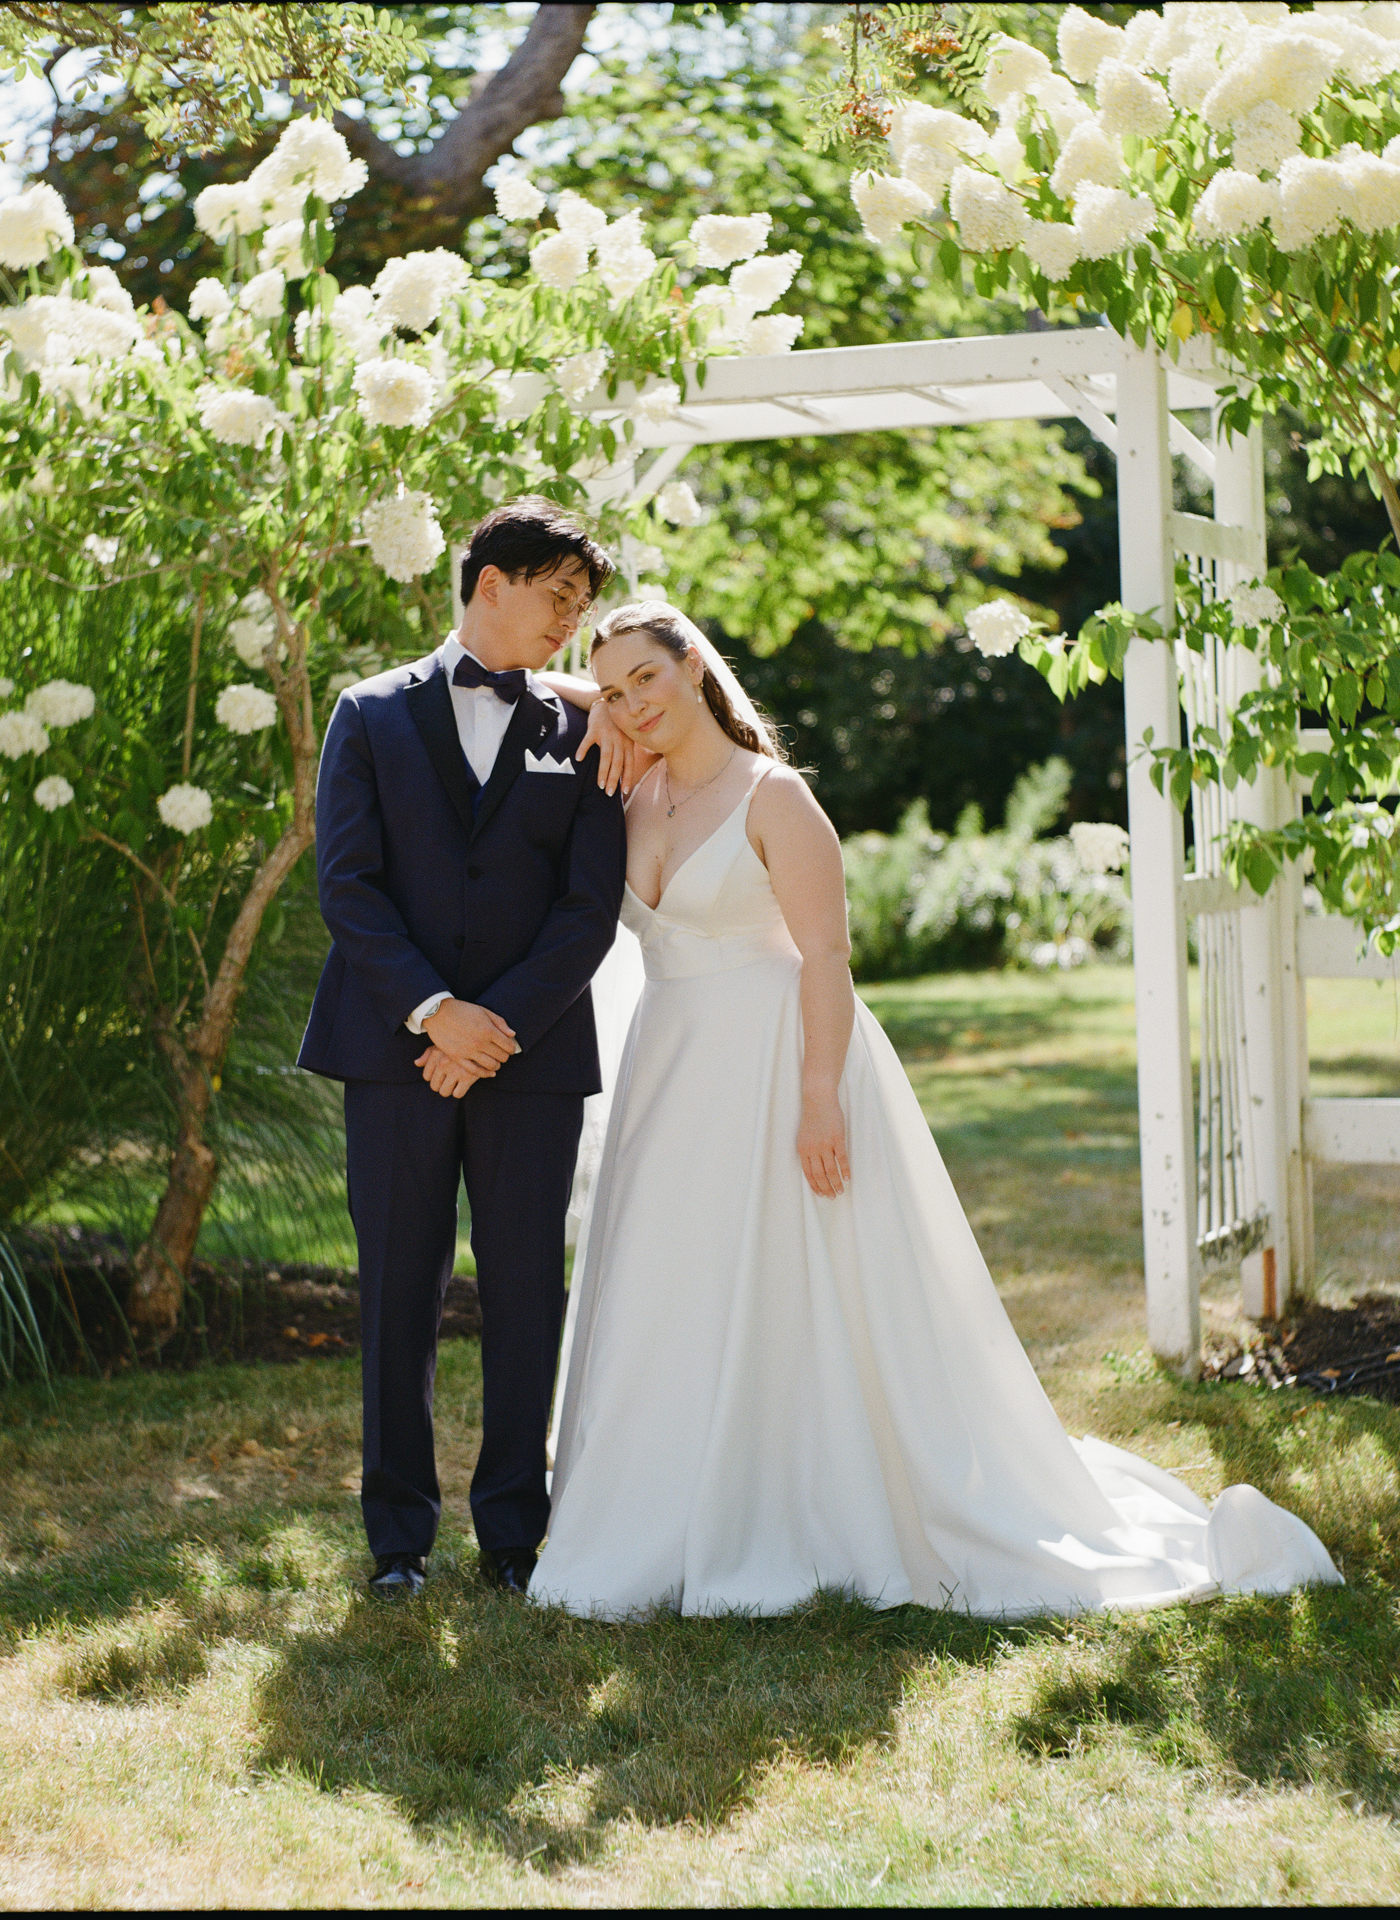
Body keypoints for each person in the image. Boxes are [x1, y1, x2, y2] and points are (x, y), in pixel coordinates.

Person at [529, 600, 1342, 1620]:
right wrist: (592, 705)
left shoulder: (770, 798)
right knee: (671, 1282)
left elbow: (826, 956)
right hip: (668, 1073)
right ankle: (660, 1508)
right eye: (611, 690)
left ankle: (794, 1505)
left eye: (646, 678)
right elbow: (518, 683)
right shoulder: (634, 789)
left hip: (778, 1062)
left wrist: (819, 1095)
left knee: (794, 1285)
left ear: (694, 667)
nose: (630, 704)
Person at [297, 499, 625, 1599]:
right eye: (560, 599)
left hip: (530, 1059)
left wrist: (497, 1028)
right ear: (492, 583)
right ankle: (397, 1540)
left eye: (584, 607)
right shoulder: (367, 713)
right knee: (397, 1290)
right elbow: (347, 885)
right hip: (396, 1052)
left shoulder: (581, 730)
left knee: (528, 1289)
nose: (573, 626)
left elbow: (589, 906)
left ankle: (513, 1536)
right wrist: (437, 1013)